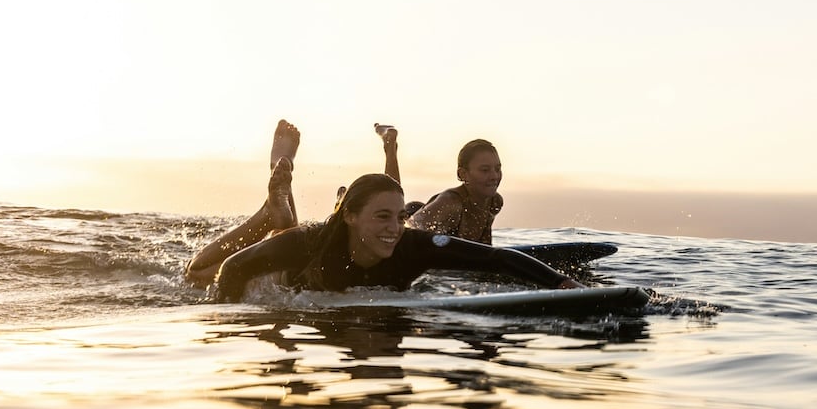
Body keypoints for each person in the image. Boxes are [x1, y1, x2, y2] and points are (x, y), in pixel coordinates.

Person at [211, 172, 582, 302]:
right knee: (198, 272)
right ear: (352, 216)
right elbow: (231, 268)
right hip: (277, 281)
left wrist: (562, 283)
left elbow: (495, 260)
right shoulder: (309, 242)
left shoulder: (413, 247)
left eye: (401, 217)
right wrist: (231, 313)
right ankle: (271, 216)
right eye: (383, 217)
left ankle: (276, 215)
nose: (394, 227)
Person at [185, 119, 301, 289]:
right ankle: (273, 206)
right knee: (293, 251)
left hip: (288, 276)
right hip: (298, 267)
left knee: (194, 273)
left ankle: (268, 214)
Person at [406, 138, 504, 244]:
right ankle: (391, 148)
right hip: (412, 214)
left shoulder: (494, 202)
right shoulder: (451, 204)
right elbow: (407, 232)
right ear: (463, 174)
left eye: (497, 169)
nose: (494, 176)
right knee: (396, 199)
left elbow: (486, 247)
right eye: (485, 170)